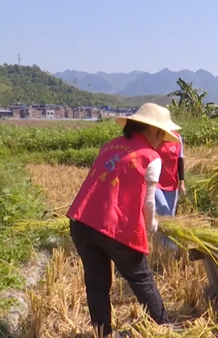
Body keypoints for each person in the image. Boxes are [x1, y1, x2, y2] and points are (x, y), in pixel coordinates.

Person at [66, 103, 181, 338]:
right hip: (113, 225)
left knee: (97, 283)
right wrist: (152, 225)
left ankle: (103, 334)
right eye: (162, 135)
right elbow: (149, 203)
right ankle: (165, 329)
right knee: (141, 278)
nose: (162, 141)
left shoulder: (110, 146)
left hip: (82, 221)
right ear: (154, 130)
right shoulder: (151, 156)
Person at [155, 129, 185, 216]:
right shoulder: (154, 137)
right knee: (165, 213)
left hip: (172, 183)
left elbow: (180, 160)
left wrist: (182, 182)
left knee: (170, 215)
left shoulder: (177, 138)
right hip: (156, 183)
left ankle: (157, 229)